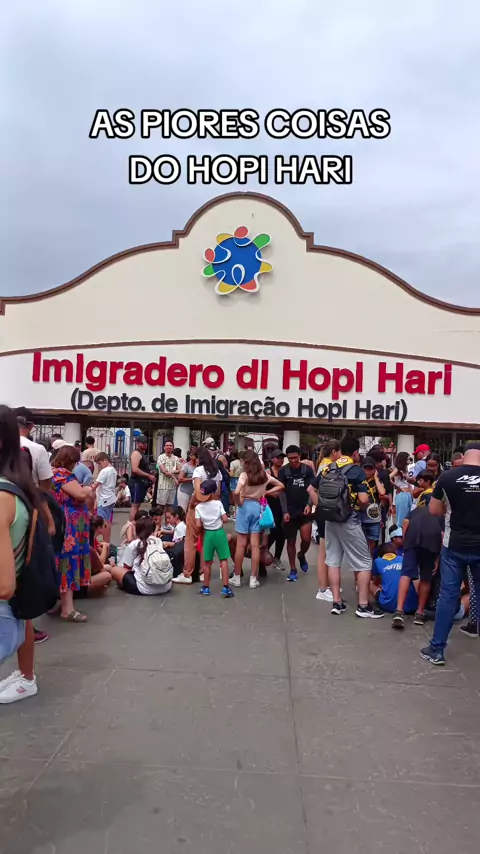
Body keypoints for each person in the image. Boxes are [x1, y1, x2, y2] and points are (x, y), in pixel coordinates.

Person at [421, 442, 480, 665]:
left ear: (464, 456)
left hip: (454, 545)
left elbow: (434, 510)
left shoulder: (447, 477)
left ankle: (437, 649)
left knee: (448, 594)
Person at [0, 405, 39, 703]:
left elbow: (4, 586)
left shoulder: (3, 497)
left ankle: (26, 678)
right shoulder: (17, 487)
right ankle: (26, 677)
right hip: (13, 610)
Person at [320, 436, 384, 618]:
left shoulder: (329, 467)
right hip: (349, 519)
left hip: (330, 519)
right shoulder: (356, 471)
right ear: (355, 453)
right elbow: (363, 499)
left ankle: (337, 602)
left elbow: (312, 489)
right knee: (364, 562)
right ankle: (363, 606)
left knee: (333, 560)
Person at [15, 407, 53, 645]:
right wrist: (49, 519)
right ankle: (26, 623)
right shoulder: (37, 449)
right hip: (27, 510)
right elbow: (45, 489)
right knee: (25, 566)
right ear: (31, 426)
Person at [51, 445, 92, 622]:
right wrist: (88, 490)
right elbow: (81, 494)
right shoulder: (62, 475)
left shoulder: (56, 474)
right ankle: (67, 609)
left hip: (71, 526)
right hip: (69, 528)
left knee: (65, 562)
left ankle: (62, 603)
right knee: (68, 563)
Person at [231, 450, 283, 589]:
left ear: (247, 462)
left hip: (244, 508)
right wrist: (266, 492)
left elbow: (236, 492)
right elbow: (281, 485)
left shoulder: (244, 475)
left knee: (241, 544)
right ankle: (253, 578)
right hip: (257, 507)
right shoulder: (264, 475)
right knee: (255, 546)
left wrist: (239, 502)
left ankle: (237, 577)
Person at [174, 446, 223, 584]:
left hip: (197, 507)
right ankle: (203, 572)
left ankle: (187, 574)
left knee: (191, 541)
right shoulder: (217, 472)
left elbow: (197, 491)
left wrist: (192, 503)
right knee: (206, 541)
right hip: (211, 508)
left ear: (198, 458)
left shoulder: (198, 470)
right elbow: (218, 493)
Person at [391, 503, 443, 630]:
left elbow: (405, 522)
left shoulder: (416, 510)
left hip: (412, 538)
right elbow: (442, 535)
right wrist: (437, 558)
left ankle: (399, 611)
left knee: (406, 574)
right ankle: (419, 613)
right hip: (431, 541)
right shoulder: (440, 514)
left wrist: (406, 542)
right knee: (426, 577)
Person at [278, 445, 316, 582]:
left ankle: (301, 555)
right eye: (290, 458)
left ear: (300, 455)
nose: (293, 460)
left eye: (295, 457)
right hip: (290, 511)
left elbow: (313, 488)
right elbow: (281, 492)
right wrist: (284, 511)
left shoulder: (307, 470)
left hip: (304, 510)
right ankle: (293, 569)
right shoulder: (284, 471)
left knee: (306, 539)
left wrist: (309, 505)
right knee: (291, 541)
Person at [111, 516, 172, 596]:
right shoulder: (158, 541)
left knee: (115, 570)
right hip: (165, 586)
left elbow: (127, 568)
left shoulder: (134, 544)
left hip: (144, 588)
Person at [194, 478, 234, 598]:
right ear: (213, 492)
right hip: (219, 533)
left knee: (207, 562)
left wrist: (205, 522)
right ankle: (226, 588)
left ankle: (206, 587)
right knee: (223, 560)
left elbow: (198, 525)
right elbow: (225, 519)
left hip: (208, 535)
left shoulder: (198, 507)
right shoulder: (218, 504)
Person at [314, 440, 341, 601]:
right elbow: (312, 488)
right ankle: (323, 589)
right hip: (326, 510)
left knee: (328, 550)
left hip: (324, 509)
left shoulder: (324, 464)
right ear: (334, 452)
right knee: (324, 550)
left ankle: (328, 585)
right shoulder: (328, 466)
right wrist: (320, 505)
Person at [371, 542, 418, 614]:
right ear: (395, 551)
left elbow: (376, 582)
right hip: (411, 606)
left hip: (388, 605)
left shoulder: (377, 561)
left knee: (369, 583)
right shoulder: (404, 559)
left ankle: (373, 606)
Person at [265, 448, 289, 569]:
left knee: (282, 532)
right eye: (277, 457)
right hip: (271, 506)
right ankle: (264, 554)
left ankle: (277, 557)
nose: (280, 460)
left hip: (283, 505)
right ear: (272, 459)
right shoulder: (268, 472)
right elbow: (260, 489)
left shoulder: (285, 471)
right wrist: (269, 493)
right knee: (273, 532)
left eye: (282, 458)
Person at [360, 456, 386, 554]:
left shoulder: (377, 481)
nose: (367, 471)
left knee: (372, 545)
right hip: (360, 517)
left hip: (374, 518)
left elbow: (382, 492)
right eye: (365, 468)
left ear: (374, 470)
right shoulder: (358, 480)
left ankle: (369, 561)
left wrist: (375, 478)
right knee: (361, 545)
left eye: (370, 469)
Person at [128, 435, 156, 521]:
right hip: (136, 482)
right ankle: (131, 524)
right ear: (137, 443)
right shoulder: (136, 453)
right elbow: (135, 469)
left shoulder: (142, 453)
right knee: (135, 505)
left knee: (137, 505)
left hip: (141, 482)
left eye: (145, 443)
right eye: (142, 443)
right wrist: (148, 475)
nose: (144, 444)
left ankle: (134, 523)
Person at [91, 452, 117, 541]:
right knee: (107, 522)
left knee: (102, 523)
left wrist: (88, 488)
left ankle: (104, 542)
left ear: (105, 460)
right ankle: (107, 541)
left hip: (104, 499)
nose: (100, 466)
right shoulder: (113, 470)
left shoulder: (104, 471)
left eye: (100, 463)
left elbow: (95, 485)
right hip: (110, 497)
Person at [155, 440, 182, 516]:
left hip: (172, 486)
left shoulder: (176, 458)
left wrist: (172, 471)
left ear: (173, 447)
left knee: (170, 508)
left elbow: (180, 470)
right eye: (167, 445)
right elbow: (164, 471)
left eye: (170, 445)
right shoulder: (161, 457)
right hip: (163, 486)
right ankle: (157, 522)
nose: (169, 447)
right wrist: (175, 477)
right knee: (160, 507)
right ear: (164, 447)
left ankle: (168, 523)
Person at [390, 452, 413, 527]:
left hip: (408, 494)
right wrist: (397, 486)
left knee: (407, 516)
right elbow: (388, 477)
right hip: (402, 494)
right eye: (408, 459)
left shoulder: (405, 469)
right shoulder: (397, 469)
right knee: (401, 518)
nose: (409, 461)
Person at [176, 449, 198, 513]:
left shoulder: (198, 466)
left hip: (194, 492)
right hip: (184, 491)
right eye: (196, 456)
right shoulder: (186, 466)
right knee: (183, 511)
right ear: (191, 456)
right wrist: (192, 479)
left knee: (191, 512)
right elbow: (180, 479)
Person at [228, 451, 243, 518]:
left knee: (235, 498)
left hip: (234, 480)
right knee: (241, 497)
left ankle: (235, 513)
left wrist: (227, 471)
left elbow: (231, 474)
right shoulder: (241, 462)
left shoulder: (233, 463)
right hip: (241, 479)